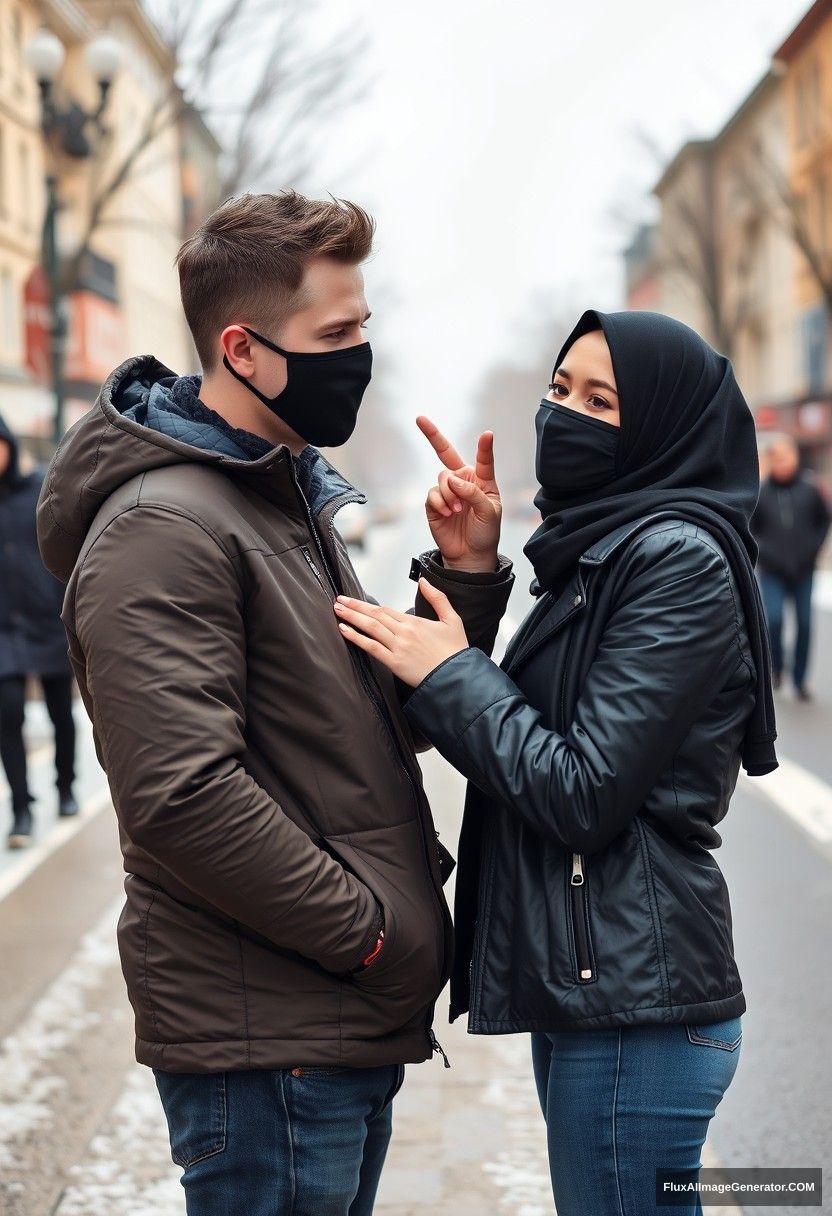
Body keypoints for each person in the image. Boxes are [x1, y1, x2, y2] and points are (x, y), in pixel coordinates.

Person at [36, 191, 514, 1216]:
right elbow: (183, 796)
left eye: (363, 330)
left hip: (320, 1024)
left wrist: (465, 576)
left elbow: (358, 729)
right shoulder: (166, 525)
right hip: (273, 1043)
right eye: (335, 335)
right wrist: (374, 936)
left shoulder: (271, 493)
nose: (359, 356)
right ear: (243, 348)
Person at [335, 310, 778, 1216]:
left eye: (601, 399)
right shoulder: (606, 550)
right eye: (560, 388)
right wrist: (475, 571)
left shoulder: (676, 559)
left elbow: (580, 790)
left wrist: (453, 673)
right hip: (608, 989)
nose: (564, 414)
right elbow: (544, 727)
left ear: (662, 423)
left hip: (638, 1007)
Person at [0, 415, 77, 848]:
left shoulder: (38, 491)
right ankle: (21, 809)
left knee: (59, 715)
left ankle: (65, 786)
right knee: (7, 713)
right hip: (3, 629)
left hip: (47, 621)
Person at [752, 433, 830, 700]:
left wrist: (813, 550)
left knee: (805, 623)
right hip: (772, 570)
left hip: (804, 569)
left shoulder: (810, 489)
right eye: (778, 458)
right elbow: (752, 529)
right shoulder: (760, 491)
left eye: (787, 457)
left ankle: (799, 679)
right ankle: (778, 669)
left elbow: (823, 522)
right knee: (773, 620)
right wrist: (766, 553)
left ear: (795, 457)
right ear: (771, 461)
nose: (783, 463)